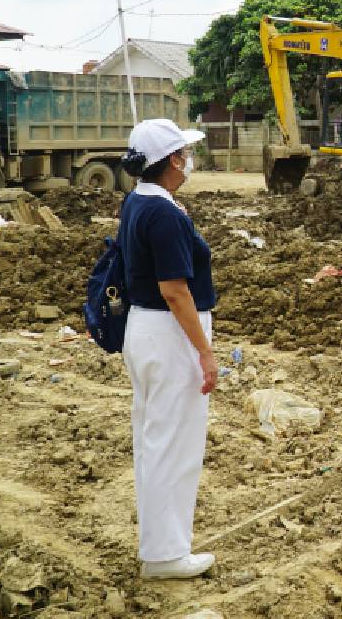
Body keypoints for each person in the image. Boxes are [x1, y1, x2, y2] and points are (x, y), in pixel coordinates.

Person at [118, 118, 219, 580]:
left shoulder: (139, 202)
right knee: (173, 446)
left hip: (147, 330)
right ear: (172, 160)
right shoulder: (163, 214)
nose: (188, 160)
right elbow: (175, 289)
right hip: (169, 332)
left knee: (155, 441)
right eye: (184, 153)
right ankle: (164, 556)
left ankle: (162, 547)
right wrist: (205, 351)